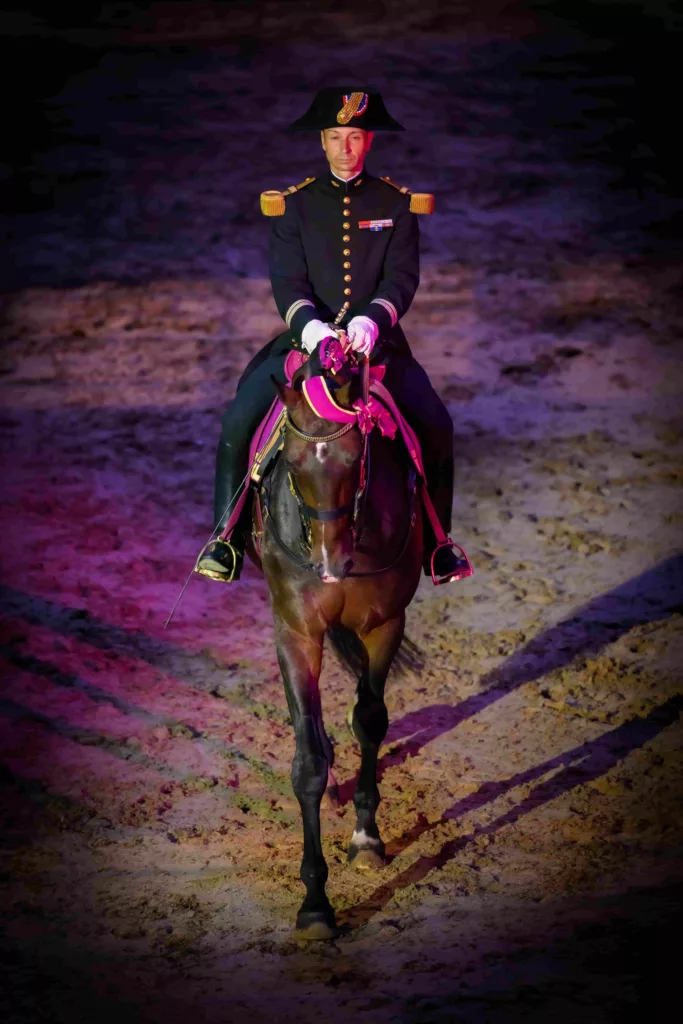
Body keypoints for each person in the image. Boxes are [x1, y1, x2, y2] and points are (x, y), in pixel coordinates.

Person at [196, 87, 467, 583]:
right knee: (238, 422)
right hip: (305, 341)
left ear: (369, 143)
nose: (346, 148)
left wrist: (372, 319)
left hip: (377, 346)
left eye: (356, 137)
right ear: (322, 141)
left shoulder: (396, 203)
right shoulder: (294, 206)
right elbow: (287, 282)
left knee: (436, 425)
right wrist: (313, 327)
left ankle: (439, 545)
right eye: (336, 137)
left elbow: (401, 279)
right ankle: (224, 539)